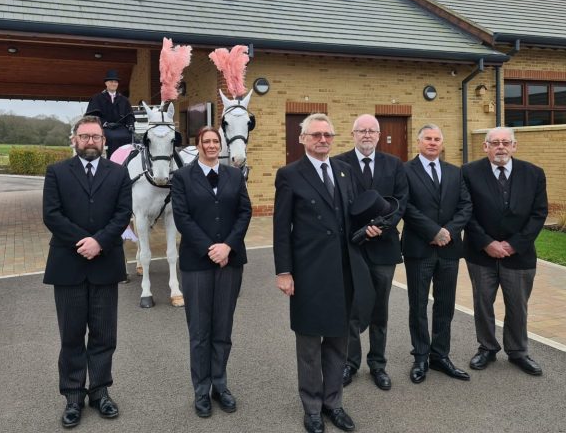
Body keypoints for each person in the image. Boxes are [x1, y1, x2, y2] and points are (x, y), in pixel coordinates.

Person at [274, 113, 376, 433]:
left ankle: (334, 403)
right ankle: (313, 408)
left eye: (327, 135)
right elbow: (281, 228)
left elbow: (353, 215)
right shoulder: (289, 175)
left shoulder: (344, 170)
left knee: (337, 341)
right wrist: (284, 272)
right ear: (302, 139)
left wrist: (369, 228)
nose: (322, 140)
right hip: (309, 272)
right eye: (316, 135)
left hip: (343, 271)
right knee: (308, 344)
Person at [42, 115, 133, 428]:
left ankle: (100, 392)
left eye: (96, 137)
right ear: (74, 140)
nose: (90, 141)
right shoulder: (56, 172)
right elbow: (52, 214)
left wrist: (100, 242)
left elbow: (123, 213)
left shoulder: (119, 173)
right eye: (84, 136)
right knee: (71, 336)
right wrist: (84, 242)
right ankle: (72, 396)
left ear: (104, 142)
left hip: (105, 264)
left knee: (104, 335)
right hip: (68, 264)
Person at [171, 126, 252, 418]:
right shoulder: (182, 177)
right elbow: (182, 217)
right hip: (197, 263)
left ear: (221, 145)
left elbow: (245, 212)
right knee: (199, 331)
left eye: (215, 141)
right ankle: (201, 390)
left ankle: (220, 384)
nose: (211, 145)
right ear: (199, 145)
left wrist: (228, 246)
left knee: (223, 329)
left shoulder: (234, 175)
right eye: (206, 141)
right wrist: (210, 248)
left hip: (230, 261)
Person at [462, 126, 548, 376]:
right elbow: (465, 211)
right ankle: (487, 348)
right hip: (481, 253)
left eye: (506, 142)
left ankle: (518, 351)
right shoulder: (468, 172)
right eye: (495, 142)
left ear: (514, 146)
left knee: (518, 305)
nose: (500, 147)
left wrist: (514, 244)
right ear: (485, 146)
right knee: (482, 303)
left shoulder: (534, 173)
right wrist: (487, 243)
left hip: (519, 254)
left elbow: (539, 213)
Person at [333, 114, 407, 391]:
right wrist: (361, 231)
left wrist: (380, 227)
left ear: (378, 135)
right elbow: (337, 203)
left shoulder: (394, 164)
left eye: (371, 131)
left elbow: (400, 202)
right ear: (352, 134)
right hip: (352, 247)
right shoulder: (339, 164)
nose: (366, 135)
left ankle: (378, 364)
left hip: (384, 246)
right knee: (351, 307)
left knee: (379, 309)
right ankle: (350, 363)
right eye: (361, 130)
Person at [402, 124, 472, 384]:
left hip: (449, 250)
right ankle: (421, 356)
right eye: (428, 138)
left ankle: (440, 355)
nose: (432, 143)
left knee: (445, 304)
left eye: (437, 139)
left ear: (442, 143)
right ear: (418, 142)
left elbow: (466, 206)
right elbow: (405, 206)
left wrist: (448, 232)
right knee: (418, 305)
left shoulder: (455, 172)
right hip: (419, 248)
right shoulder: (405, 171)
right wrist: (433, 231)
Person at [86, 70, 135, 158]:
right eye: (111, 81)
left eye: (116, 82)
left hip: (121, 127)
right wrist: (104, 123)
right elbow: (93, 116)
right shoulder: (97, 98)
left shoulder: (124, 99)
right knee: (113, 138)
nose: (114, 84)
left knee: (131, 137)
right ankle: (112, 161)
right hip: (104, 127)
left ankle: (128, 161)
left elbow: (129, 115)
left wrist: (131, 125)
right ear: (106, 83)